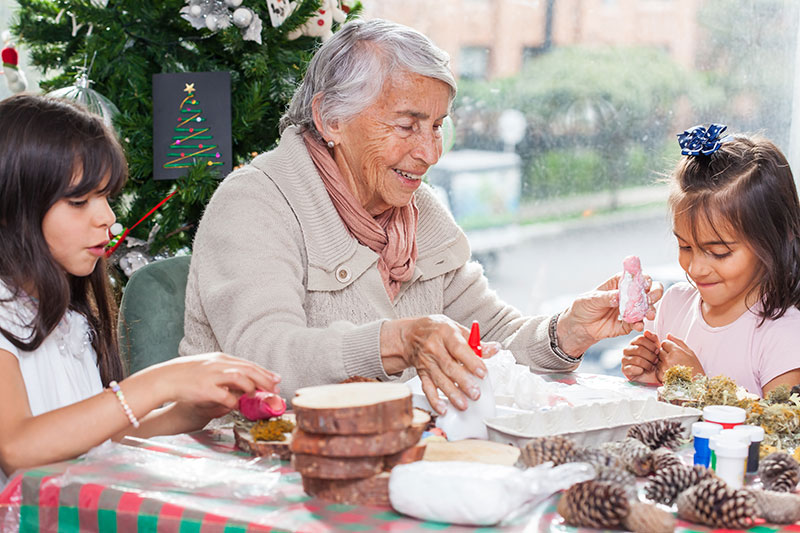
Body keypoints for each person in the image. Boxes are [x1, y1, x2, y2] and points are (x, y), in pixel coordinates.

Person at [180, 18, 662, 413]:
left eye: (437, 127)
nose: (430, 152)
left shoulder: (420, 210)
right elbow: (262, 358)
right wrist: (396, 341)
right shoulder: (256, 202)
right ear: (331, 120)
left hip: (385, 459)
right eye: (408, 126)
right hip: (251, 469)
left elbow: (488, 340)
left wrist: (568, 332)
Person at [0, 94, 281, 486]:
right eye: (80, 201)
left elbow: (91, 442)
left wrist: (187, 412)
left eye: (105, 197)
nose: (108, 218)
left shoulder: (68, 314)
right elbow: (18, 450)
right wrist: (159, 382)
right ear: (12, 208)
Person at [621, 124, 800, 397]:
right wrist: (651, 376)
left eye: (719, 252)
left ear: (776, 237)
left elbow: (782, 434)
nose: (696, 268)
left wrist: (700, 390)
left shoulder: (783, 334)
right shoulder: (673, 307)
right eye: (685, 246)